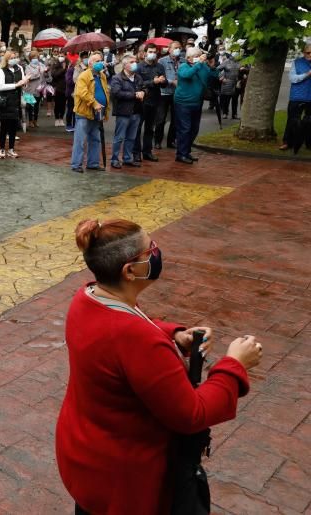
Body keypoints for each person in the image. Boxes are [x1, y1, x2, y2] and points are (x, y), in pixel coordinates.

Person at [57, 218, 262, 515]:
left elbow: (127, 328)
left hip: (88, 458)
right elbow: (192, 413)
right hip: (125, 479)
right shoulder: (137, 340)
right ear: (130, 271)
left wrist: (174, 335)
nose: (157, 252)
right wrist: (235, 364)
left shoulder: (87, 298)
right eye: (150, 249)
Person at [70, 58, 109, 173]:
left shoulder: (102, 76)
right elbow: (82, 93)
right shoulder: (83, 76)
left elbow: (105, 91)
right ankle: (76, 164)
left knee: (95, 139)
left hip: (97, 112)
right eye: (97, 61)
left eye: (101, 60)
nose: (100, 62)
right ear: (90, 63)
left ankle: (93, 163)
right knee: (80, 140)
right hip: (84, 112)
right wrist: (94, 103)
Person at [173, 47, 210, 164]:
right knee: (185, 129)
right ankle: (181, 154)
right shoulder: (183, 67)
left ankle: (186, 151)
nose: (199, 58)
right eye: (196, 56)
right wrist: (199, 64)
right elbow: (187, 75)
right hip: (183, 103)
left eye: (200, 55)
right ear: (188, 58)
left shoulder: (201, 66)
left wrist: (207, 64)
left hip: (197, 102)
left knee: (194, 129)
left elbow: (208, 75)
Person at [109, 55, 145, 169]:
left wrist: (144, 92)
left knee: (131, 137)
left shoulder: (138, 77)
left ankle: (127, 158)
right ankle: (114, 159)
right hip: (123, 112)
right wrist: (134, 94)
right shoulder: (117, 78)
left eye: (135, 61)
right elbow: (116, 93)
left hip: (136, 112)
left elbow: (144, 88)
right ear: (125, 65)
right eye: (132, 62)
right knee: (119, 137)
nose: (135, 63)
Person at [133, 44, 165, 162]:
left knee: (150, 128)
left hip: (155, 100)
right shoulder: (139, 67)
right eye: (150, 51)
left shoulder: (160, 67)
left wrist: (163, 81)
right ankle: (136, 152)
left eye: (155, 52)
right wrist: (153, 81)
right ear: (145, 52)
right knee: (137, 127)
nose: (153, 53)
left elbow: (164, 84)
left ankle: (147, 151)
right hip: (142, 101)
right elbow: (138, 84)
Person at [0, 51, 29, 159]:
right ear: (6, 59)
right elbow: (0, 86)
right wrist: (16, 85)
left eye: (15, 57)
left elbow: (22, 83)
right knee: (4, 126)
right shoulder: (2, 71)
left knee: (13, 127)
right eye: (11, 58)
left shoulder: (19, 68)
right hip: (5, 102)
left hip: (16, 101)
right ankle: (1, 148)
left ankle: (11, 149)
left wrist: (25, 83)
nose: (14, 59)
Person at [280, 43, 311, 151]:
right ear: (304, 53)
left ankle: (308, 143)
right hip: (297, 97)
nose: (310, 55)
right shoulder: (296, 63)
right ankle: (287, 142)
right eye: (308, 53)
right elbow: (293, 78)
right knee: (292, 120)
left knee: (309, 121)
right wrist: (307, 74)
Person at [155, 42, 182, 149]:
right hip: (164, 93)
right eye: (175, 48)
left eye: (179, 48)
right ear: (169, 49)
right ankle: (157, 141)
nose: (178, 50)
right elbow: (159, 76)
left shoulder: (183, 61)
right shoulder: (162, 61)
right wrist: (171, 81)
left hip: (177, 94)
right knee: (161, 119)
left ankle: (171, 141)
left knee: (176, 119)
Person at [217, 52, 241, 120]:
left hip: (236, 83)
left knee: (235, 99)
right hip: (227, 82)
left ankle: (234, 114)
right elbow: (217, 69)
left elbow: (243, 70)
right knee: (226, 99)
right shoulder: (226, 62)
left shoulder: (239, 62)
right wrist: (221, 77)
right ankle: (225, 113)